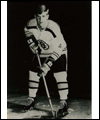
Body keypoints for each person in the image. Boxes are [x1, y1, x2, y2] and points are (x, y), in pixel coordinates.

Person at [23, 4, 69, 116]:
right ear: (35, 16)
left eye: (44, 16)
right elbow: (27, 31)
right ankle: (31, 99)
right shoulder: (30, 24)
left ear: (47, 15)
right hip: (42, 52)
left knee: (60, 76)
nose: (41, 20)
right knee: (33, 73)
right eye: (38, 16)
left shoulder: (54, 28)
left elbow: (60, 47)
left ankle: (64, 102)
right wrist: (32, 44)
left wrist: (47, 65)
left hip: (58, 52)